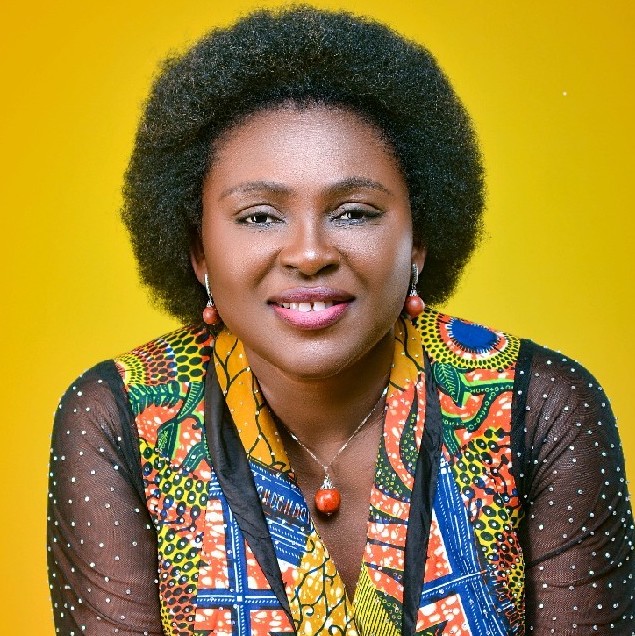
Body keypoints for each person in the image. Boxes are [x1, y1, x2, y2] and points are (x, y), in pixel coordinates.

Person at [47, 6, 634, 635]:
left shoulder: (537, 408)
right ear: (198, 252)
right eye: (259, 216)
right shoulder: (120, 420)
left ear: (419, 241)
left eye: (354, 212)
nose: (309, 254)